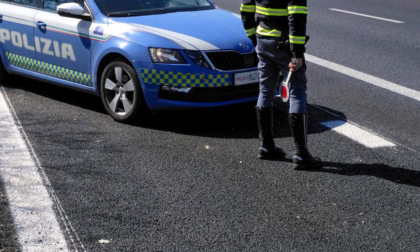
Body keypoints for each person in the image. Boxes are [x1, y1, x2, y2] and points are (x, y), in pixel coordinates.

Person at [240, 0, 322, 169]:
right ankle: (300, 153)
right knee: (297, 92)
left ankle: (266, 146)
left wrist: (253, 38)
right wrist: (297, 52)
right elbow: (296, 15)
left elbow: (246, 8)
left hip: (262, 39)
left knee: (265, 90)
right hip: (283, 42)